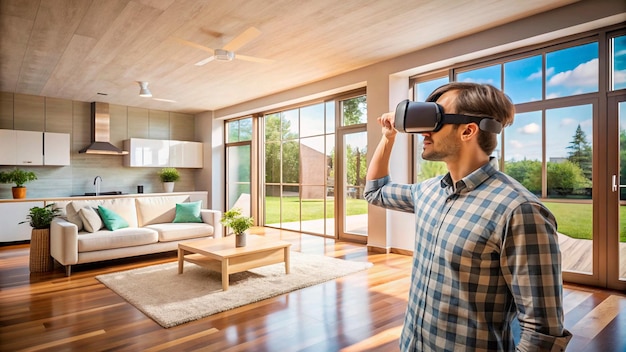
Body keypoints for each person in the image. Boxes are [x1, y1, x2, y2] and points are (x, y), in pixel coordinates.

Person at [364, 82, 572, 351]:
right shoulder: (427, 192)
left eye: (435, 119)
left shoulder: (519, 211)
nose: (423, 132)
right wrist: (387, 137)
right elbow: (376, 191)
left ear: (468, 130)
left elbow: (542, 332)